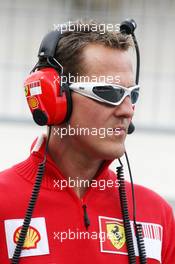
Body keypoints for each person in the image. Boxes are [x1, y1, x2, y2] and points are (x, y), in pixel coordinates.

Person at [0, 20, 174, 264]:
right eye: (108, 92)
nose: (127, 111)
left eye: (131, 95)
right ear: (54, 100)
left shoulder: (157, 214)